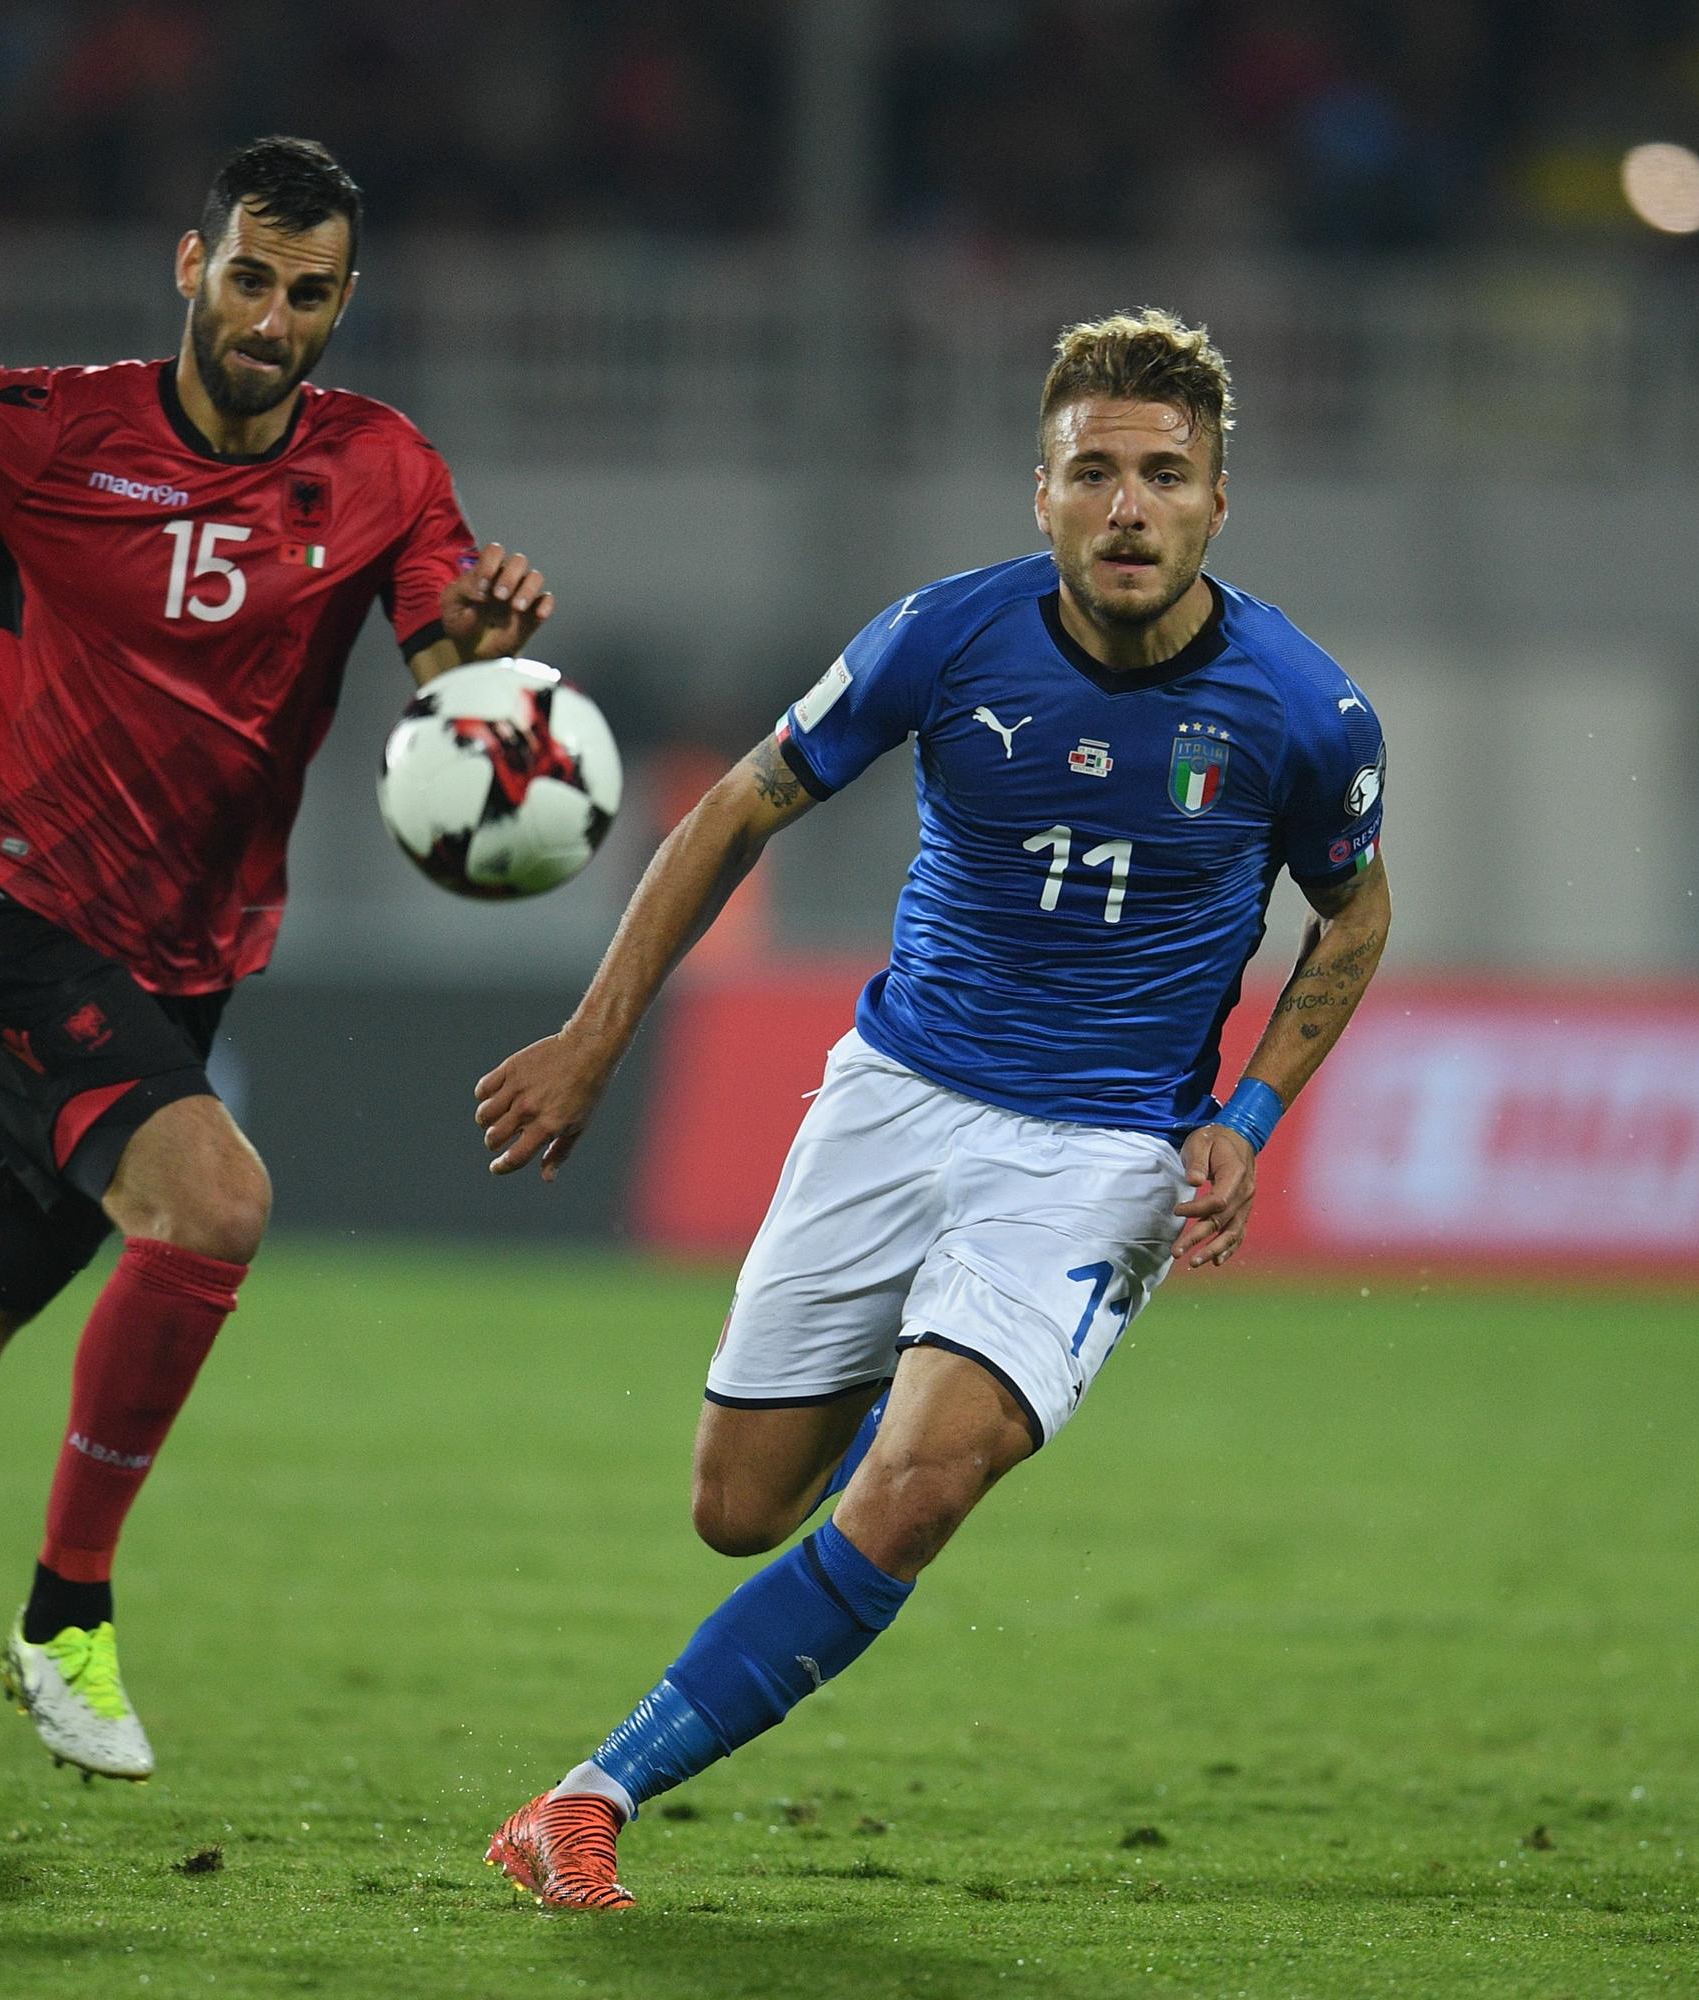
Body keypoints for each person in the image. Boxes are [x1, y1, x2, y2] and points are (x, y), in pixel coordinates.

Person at [0, 137, 554, 1785]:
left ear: (349, 301)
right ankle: (66, 1616)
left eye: (312, 292)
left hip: (181, 955)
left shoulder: (385, 469)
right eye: (252, 277)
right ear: (190, 268)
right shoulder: (47, 428)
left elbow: (444, 685)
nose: (275, 317)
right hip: (4, 901)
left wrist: (487, 652)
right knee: (216, 1204)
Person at [468, 309, 1393, 1908]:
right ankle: (900, 1432)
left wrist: (1245, 1113)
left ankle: (586, 1799)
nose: (1127, 507)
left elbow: (1357, 917)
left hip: (1104, 1158)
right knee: (736, 1510)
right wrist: (596, 1036)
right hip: (894, 1102)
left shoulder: (1305, 711)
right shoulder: (945, 641)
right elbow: (736, 808)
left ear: (1217, 505)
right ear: (1037, 493)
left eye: (1164, 476)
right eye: (1091, 472)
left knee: (918, 1489)